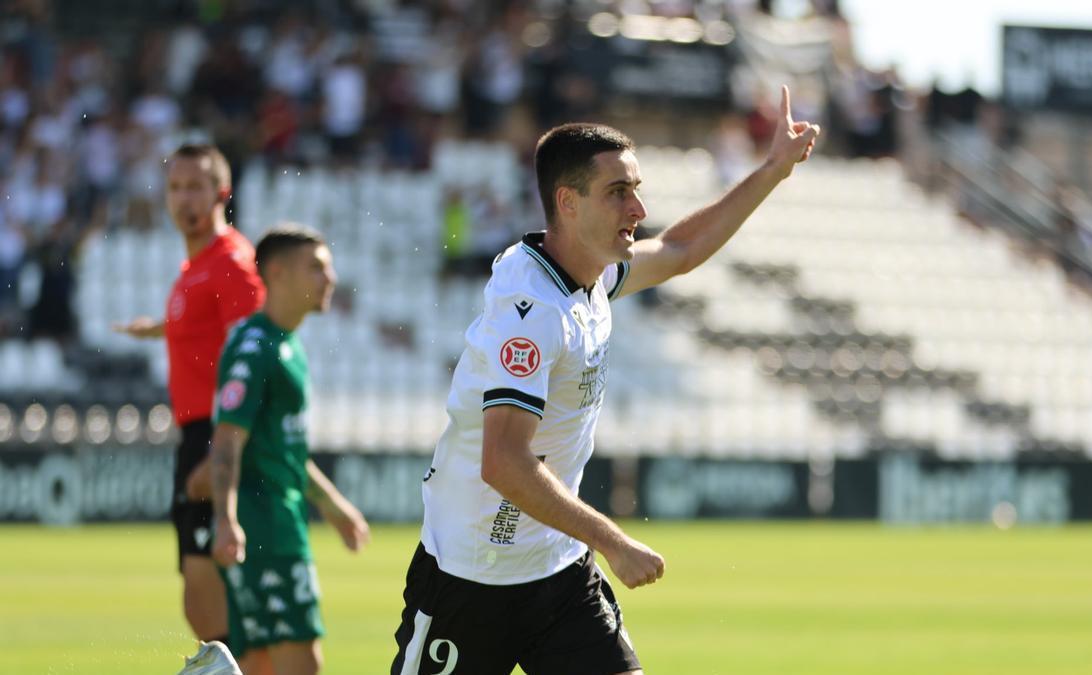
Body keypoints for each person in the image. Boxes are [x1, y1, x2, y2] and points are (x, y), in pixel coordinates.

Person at [391, 85, 819, 674]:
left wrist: (772, 169)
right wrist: (613, 541)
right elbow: (505, 463)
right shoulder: (532, 309)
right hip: (472, 576)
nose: (637, 210)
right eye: (619, 193)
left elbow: (681, 247)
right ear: (567, 202)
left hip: (559, 574)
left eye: (636, 190)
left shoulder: (592, 275)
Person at [113, 144, 264, 646]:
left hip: (218, 432)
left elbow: (255, 354)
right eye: (175, 187)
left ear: (222, 191)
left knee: (213, 599)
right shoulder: (195, 268)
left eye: (196, 185)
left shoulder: (231, 263)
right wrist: (160, 329)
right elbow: (210, 329)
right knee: (202, 600)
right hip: (197, 433)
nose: (184, 198)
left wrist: (227, 446)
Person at [210, 226, 370, 675]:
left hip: (274, 522)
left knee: (257, 664)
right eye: (316, 266)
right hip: (266, 531)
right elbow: (226, 442)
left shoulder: (288, 346)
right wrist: (226, 519)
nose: (330, 277)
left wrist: (334, 507)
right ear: (277, 273)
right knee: (301, 664)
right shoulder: (256, 348)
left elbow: (288, 452)